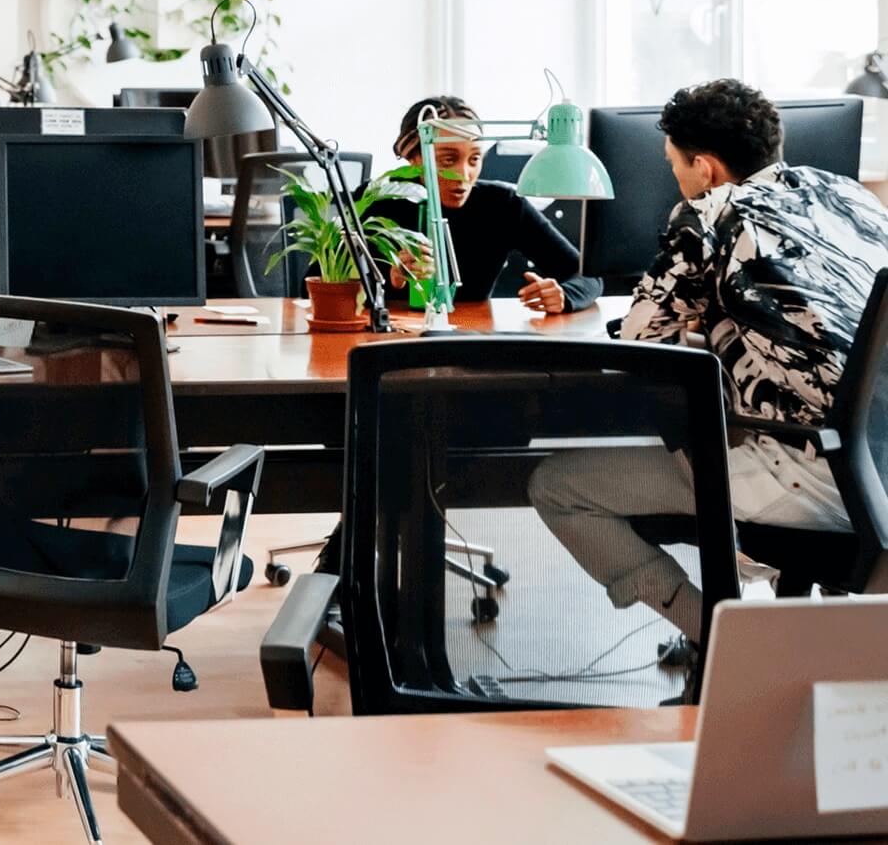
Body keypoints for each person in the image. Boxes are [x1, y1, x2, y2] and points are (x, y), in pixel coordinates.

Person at [529, 79, 888, 643]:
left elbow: (641, 343)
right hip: (879, 469)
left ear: (706, 168)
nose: (673, 178)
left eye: (674, 165)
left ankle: (726, 642)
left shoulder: (709, 215)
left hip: (811, 472)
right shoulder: (849, 196)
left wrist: (691, 320)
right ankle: (771, 621)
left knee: (558, 486)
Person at [369, 95, 602, 314]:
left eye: (474, 159)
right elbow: (341, 291)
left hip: (475, 337)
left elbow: (588, 276)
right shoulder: (378, 203)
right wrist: (394, 279)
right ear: (414, 158)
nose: (463, 174)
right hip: (394, 342)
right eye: (448, 160)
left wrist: (564, 295)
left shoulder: (502, 205)